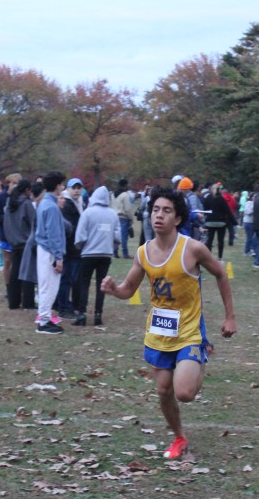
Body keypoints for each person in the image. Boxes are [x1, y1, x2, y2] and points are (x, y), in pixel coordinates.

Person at [100, 188, 236, 460]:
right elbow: (129, 289)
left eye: (166, 211)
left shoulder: (192, 249)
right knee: (163, 390)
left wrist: (229, 316)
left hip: (189, 331)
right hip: (159, 331)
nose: (159, 216)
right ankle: (179, 437)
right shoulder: (143, 252)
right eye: (155, 210)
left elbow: (221, 274)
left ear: (178, 218)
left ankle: (201, 353)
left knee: (184, 393)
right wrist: (114, 290)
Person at [74, 185, 118, 326]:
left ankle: (82, 314)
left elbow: (80, 236)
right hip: (105, 254)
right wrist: (111, 247)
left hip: (88, 254)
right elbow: (117, 236)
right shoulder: (113, 214)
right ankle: (98, 314)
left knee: (84, 283)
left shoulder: (88, 213)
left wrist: (81, 247)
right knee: (101, 284)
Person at [34, 171, 67, 334]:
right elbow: (53, 235)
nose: (63, 187)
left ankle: (44, 318)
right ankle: (44, 321)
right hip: (49, 251)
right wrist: (58, 257)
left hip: (43, 249)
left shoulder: (44, 203)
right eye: (62, 184)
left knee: (45, 285)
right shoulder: (52, 207)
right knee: (49, 287)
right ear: (57, 185)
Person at [3, 180, 36, 310]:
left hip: (14, 242)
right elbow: (34, 222)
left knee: (15, 272)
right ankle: (28, 302)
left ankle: (13, 302)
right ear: (27, 190)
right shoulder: (26, 204)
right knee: (28, 273)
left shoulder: (10, 203)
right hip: (26, 242)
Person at [57, 178, 85, 319]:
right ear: (68, 189)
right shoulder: (67, 204)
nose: (76, 190)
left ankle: (72, 305)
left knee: (73, 279)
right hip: (69, 248)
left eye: (79, 188)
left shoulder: (80, 203)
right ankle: (63, 307)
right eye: (74, 188)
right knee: (67, 279)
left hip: (76, 248)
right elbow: (69, 228)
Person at [203, 183, 232, 261]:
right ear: (219, 190)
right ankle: (220, 257)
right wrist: (230, 220)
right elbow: (227, 210)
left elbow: (205, 209)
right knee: (220, 240)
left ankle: (208, 258)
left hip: (210, 222)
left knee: (209, 240)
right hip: (221, 222)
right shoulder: (221, 199)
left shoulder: (208, 198)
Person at [113, 179, 134, 258]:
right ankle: (125, 253)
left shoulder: (113, 194)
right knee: (123, 236)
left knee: (115, 235)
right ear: (125, 185)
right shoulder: (125, 195)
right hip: (123, 217)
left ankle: (115, 252)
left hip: (114, 216)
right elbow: (128, 208)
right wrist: (131, 218)